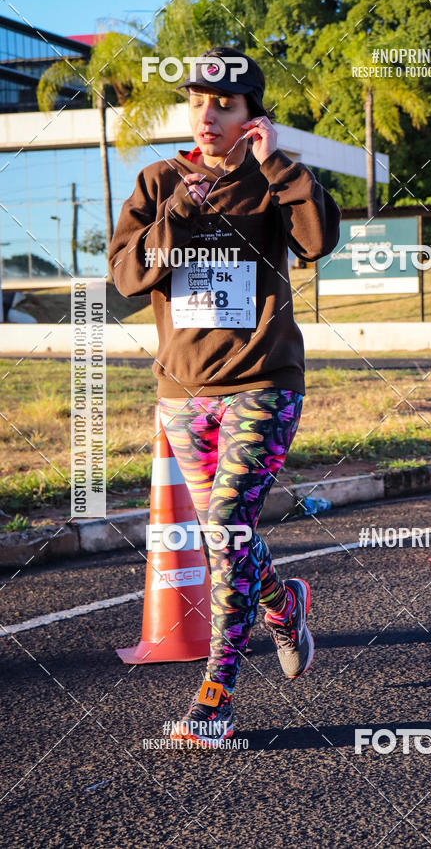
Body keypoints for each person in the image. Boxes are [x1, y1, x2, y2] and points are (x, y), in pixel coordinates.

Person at [108, 46, 341, 747]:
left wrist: (277, 167)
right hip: (184, 393)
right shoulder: (158, 181)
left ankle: (216, 698)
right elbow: (126, 277)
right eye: (199, 102)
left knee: (225, 530)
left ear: (252, 116)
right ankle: (281, 600)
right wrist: (179, 208)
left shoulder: (276, 179)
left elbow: (318, 239)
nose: (208, 115)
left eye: (226, 105)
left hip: (264, 382)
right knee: (225, 537)